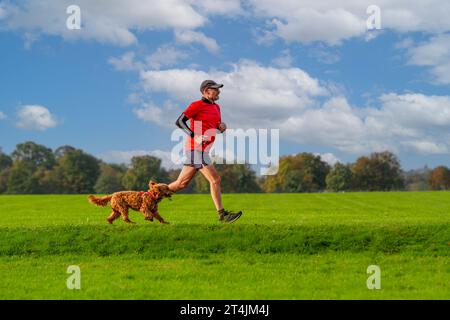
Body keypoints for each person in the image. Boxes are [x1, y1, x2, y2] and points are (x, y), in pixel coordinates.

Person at [168, 80, 243, 223]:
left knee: (181, 184)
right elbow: (179, 121)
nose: (219, 91)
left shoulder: (217, 107)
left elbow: (214, 128)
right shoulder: (196, 105)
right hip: (196, 149)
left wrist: (221, 127)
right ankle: (222, 215)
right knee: (215, 179)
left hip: (203, 150)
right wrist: (194, 136)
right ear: (206, 91)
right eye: (215, 89)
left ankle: (150, 197)